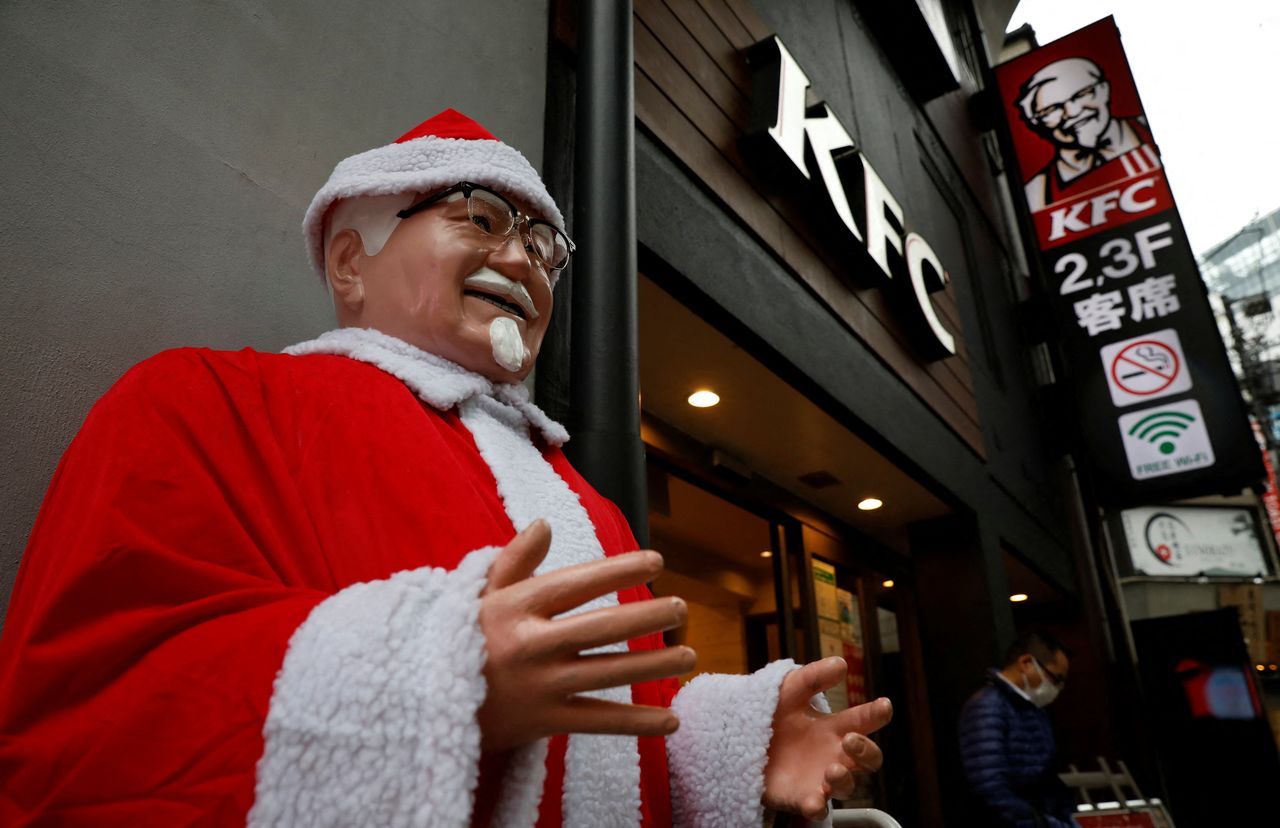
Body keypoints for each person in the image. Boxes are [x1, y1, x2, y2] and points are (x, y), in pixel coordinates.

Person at [0, 109, 892, 826]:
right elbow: (94, 706)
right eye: (483, 218)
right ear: (352, 259)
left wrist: (726, 746)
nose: (522, 262)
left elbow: (608, 753)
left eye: (545, 247)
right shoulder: (208, 403)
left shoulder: (590, 505)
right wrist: (436, 677)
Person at [957, 630, 1077, 828]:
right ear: (1027, 663)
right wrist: (1043, 823)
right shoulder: (987, 706)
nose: (1058, 687)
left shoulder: (1031, 706)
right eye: (1055, 678)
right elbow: (989, 786)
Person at [1015, 57, 1157, 211]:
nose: (1072, 112)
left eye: (1082, 94)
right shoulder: (1036, 194)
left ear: (1104, 90)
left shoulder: (1152, 127)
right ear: (1036, 123)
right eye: (1051, 110)